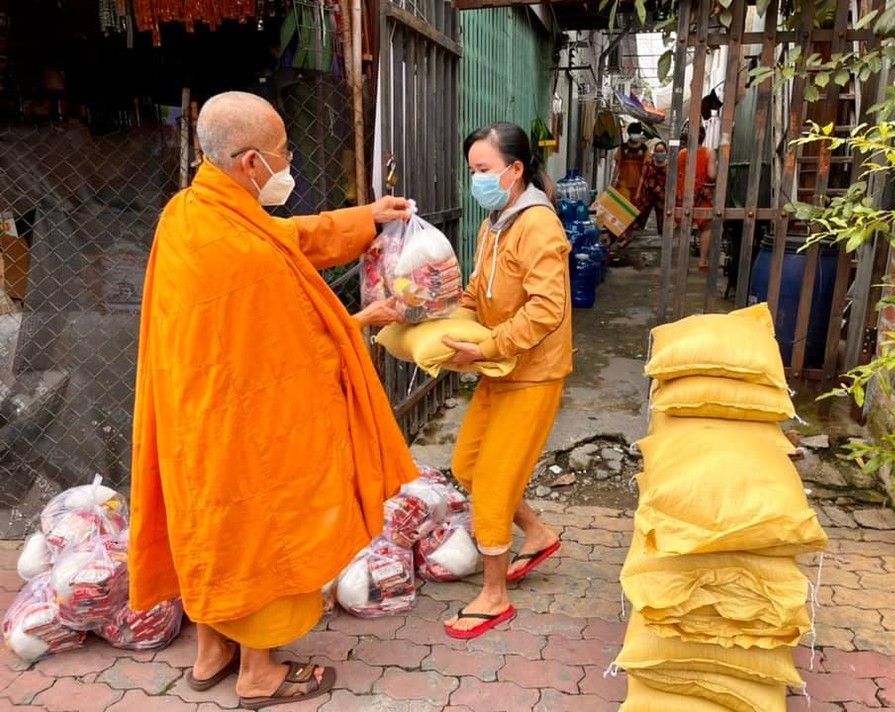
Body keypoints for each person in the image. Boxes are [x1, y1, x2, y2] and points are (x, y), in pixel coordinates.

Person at [128, 91, 418, 709]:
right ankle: (259, 673)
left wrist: (366, 215)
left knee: (208, 528)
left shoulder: (188, 214)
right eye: (285, 153)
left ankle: (212, 656)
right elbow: (305, 340)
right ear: (251, 161)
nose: (291, 165)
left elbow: (289, 236)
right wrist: (362, 320)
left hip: (192, 420)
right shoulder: (242, 251)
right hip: (245, 426)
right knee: (260, 528)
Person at [440, 121, 572, 639]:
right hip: (499, 366)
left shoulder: (538, 225)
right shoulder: (495, 222)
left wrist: (489, 346)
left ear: (515, 171)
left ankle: (495, 596)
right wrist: (443, 322)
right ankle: (537, 533)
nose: (476, 180)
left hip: (533, 372)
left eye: (484, 170)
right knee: (467, 466)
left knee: (492, 484)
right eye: (472, 171)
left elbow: (547, 309)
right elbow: (478, 291)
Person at [675, 125, 717, 271]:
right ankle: (703, 261)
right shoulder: (709, 152)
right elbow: (711, 175)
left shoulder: (681, 154)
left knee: (684, 227)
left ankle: (682, 261)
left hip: (684, 194)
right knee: (706, 226)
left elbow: (676, 175)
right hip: (701, 194)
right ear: (704, 136)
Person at [633, 140, 669, 236]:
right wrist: (638, 192)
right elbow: (642, 177)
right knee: (637, 221)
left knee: (662, 226)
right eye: (657, 151)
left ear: (666, 152)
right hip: (647, 195)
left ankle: (664, 247)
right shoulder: (649, 163)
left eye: (662, 151)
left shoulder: (669, 166)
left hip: (662, 197)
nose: (659, 154)